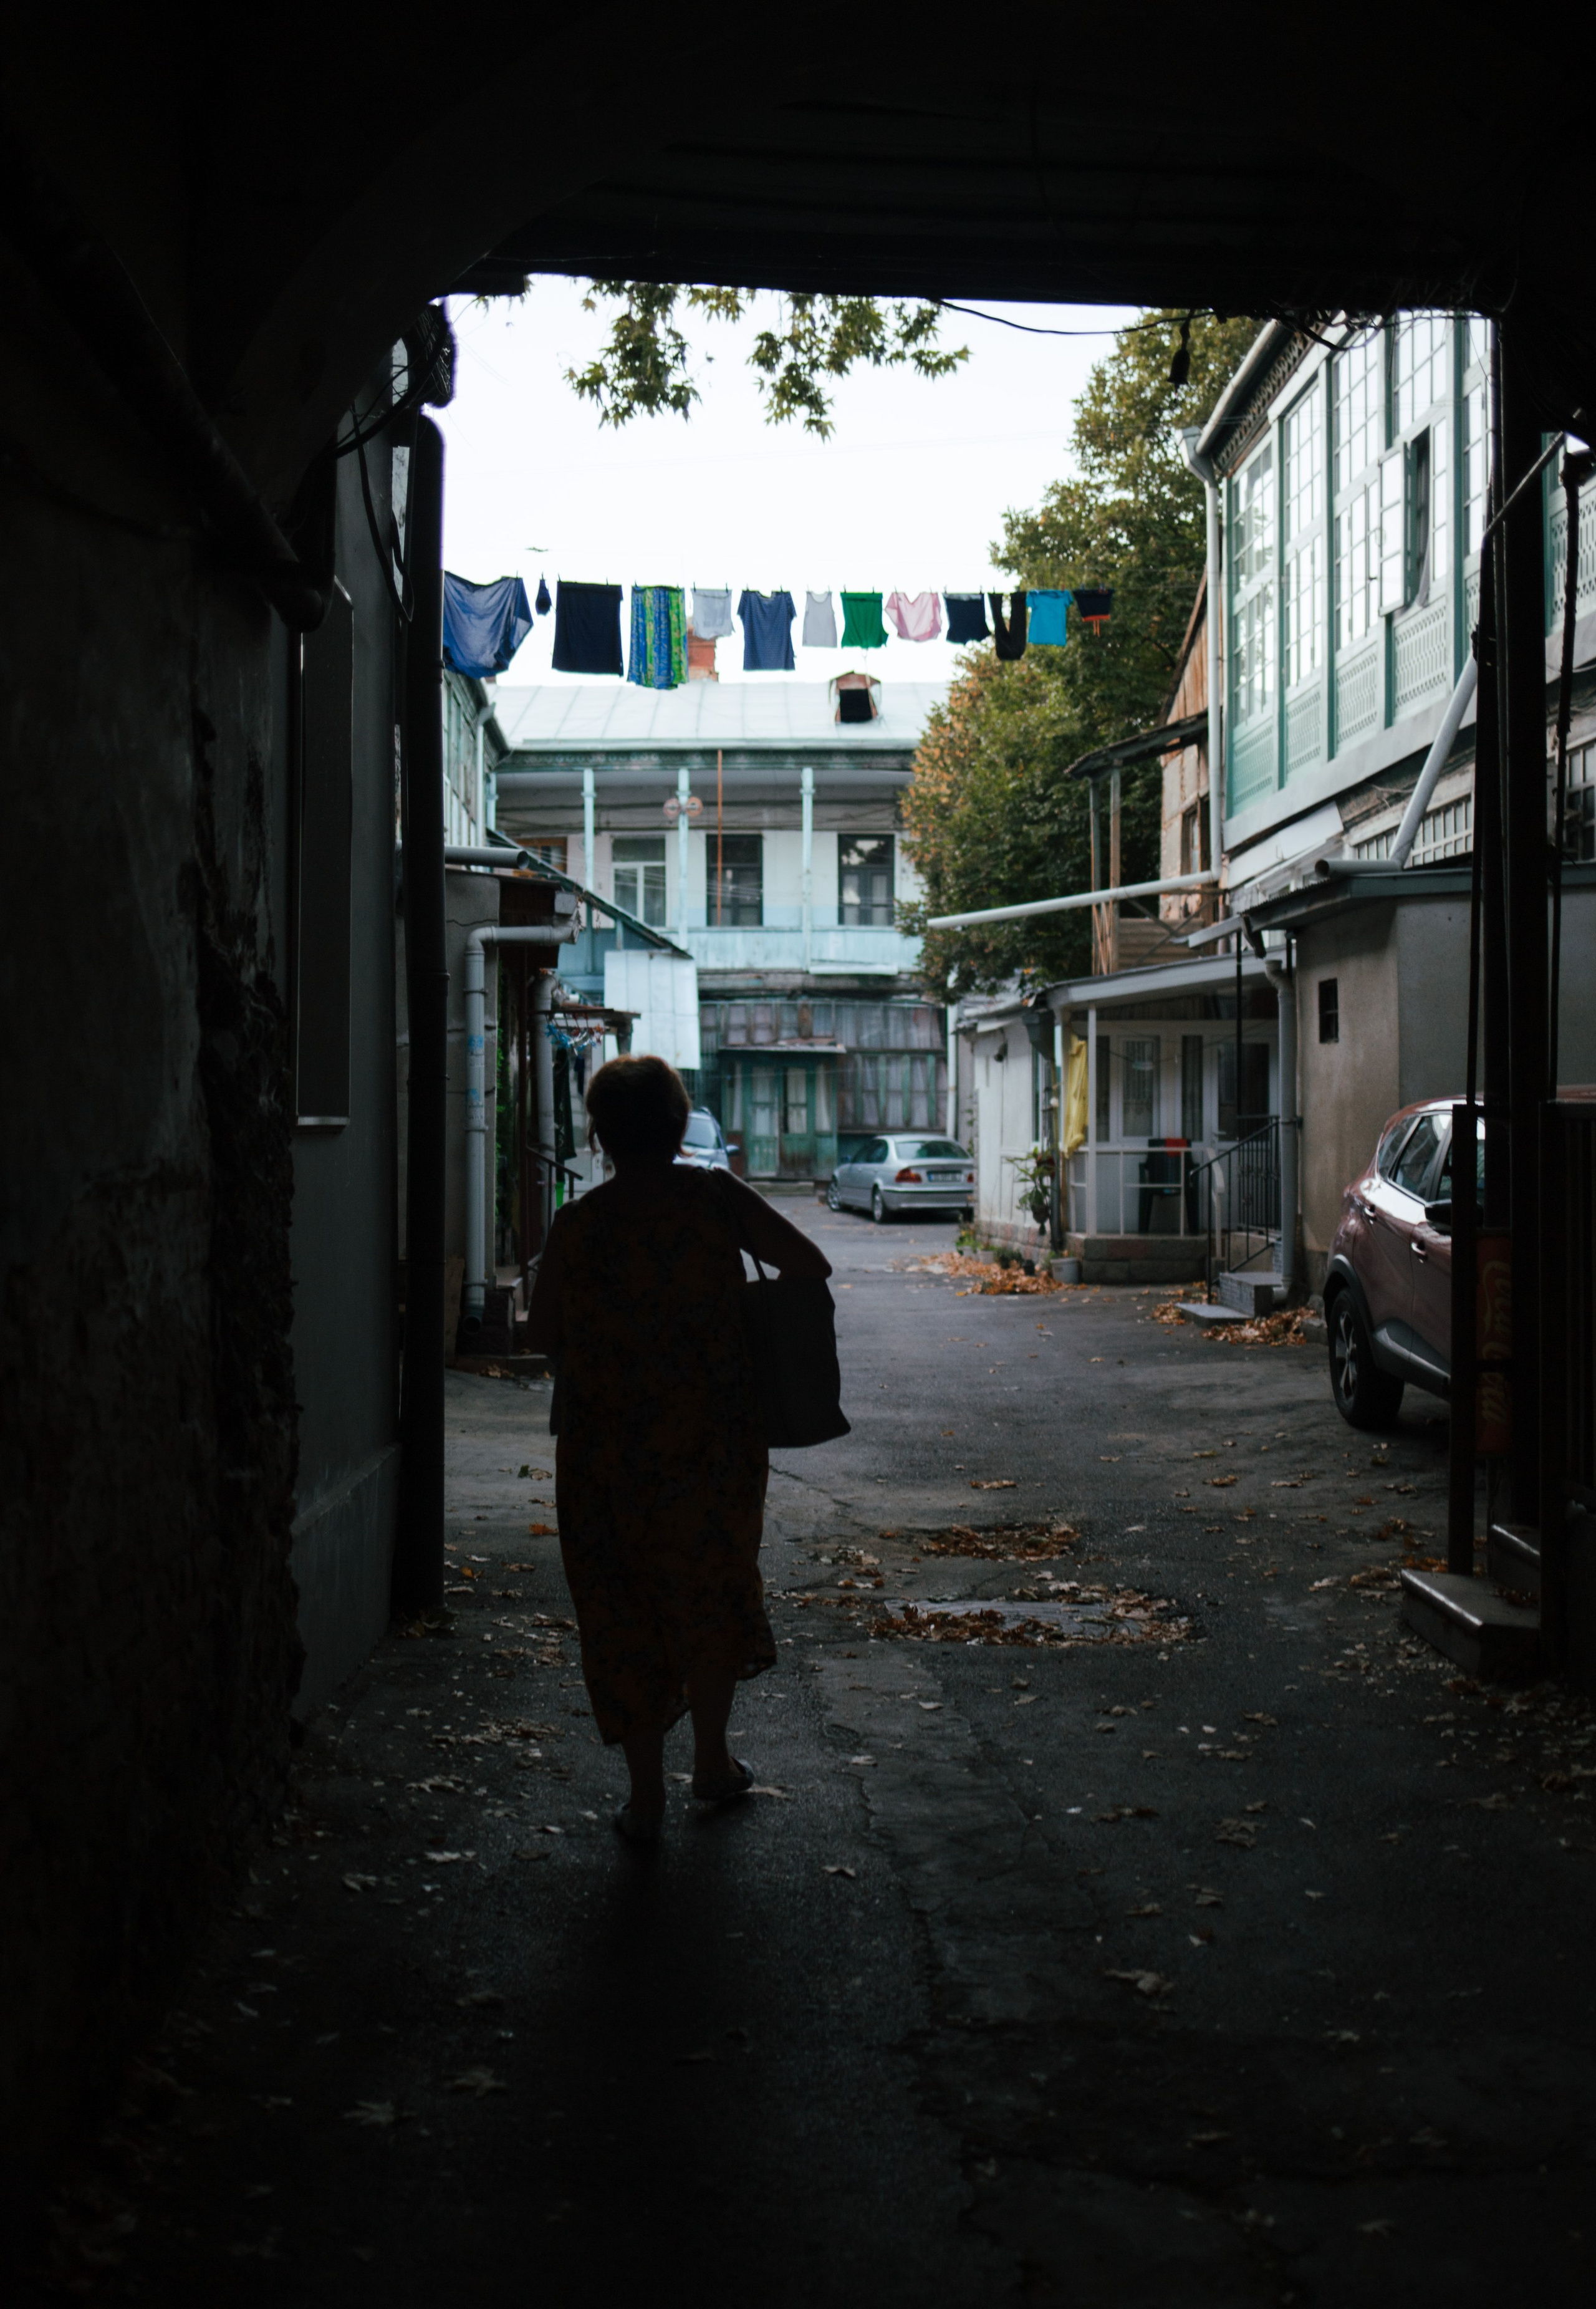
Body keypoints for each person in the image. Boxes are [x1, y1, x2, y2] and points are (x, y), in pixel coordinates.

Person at [525, 1054, 832, 1842]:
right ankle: (711, 1761)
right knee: (709, 1587)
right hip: (710, 1436)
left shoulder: (580, 1225)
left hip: (607, 1449)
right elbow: (808, 1263)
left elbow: (544, 1334)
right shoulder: (713, 1198)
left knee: (621, 1603)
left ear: (598, 1133)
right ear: (675, 1122)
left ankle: (643, 1793)